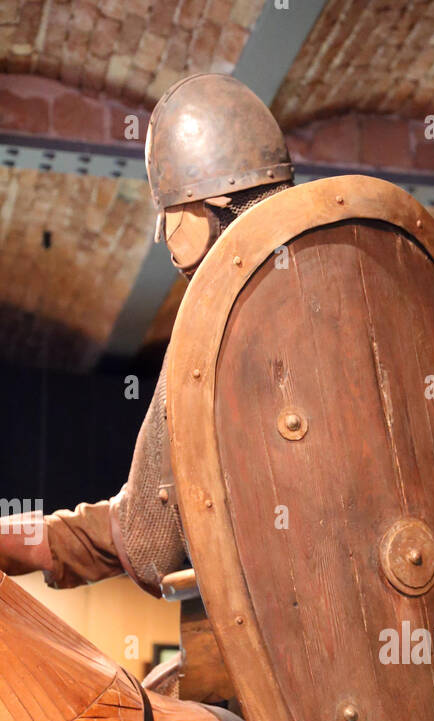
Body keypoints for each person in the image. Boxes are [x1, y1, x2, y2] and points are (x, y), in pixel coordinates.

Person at [0, 74, 295, 597]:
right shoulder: (376, 274)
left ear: (199, 208)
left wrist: (20, 536)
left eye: (171, 220)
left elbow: (146, 541)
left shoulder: (211, 326)